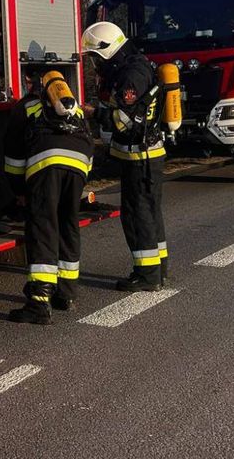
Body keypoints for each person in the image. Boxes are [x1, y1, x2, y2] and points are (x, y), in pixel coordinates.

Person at [81, 21, 169, 292]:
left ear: (107, 52)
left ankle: (147, 276)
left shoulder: (131, 76)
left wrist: (94, 113)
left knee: (137, 215)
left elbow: (123, 121)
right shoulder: (138, 66)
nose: (95, 64)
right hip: (147, 156)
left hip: (139, 158)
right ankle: (158, 270)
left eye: (96, 58)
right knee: (150, 213)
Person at [3, 70, 94, 324]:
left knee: (43, 227)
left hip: (46, 167)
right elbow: (89, 141)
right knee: (68, 224)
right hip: (79, 167)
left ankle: (39, 303)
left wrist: (19, 190)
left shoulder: (28, 107)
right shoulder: (74, 107)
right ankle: (66, 294)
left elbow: (13, 154)